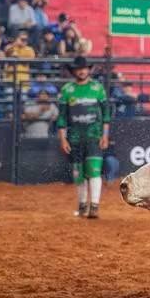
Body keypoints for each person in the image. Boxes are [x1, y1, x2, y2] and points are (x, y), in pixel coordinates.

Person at [57, 56, 110, 219]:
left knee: (94, 171)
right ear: (73, 71)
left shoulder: (98, 88)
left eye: (84, 68)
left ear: (89, 69)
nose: (81, 71)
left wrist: (105, 135)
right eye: (78, 68)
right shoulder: (67, 90)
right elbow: (62, 118)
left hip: (94, 136)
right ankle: (82, 206)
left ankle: (94, 207)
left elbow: (106, 114)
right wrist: (63, 139)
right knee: (78, 174)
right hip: (74, 138)